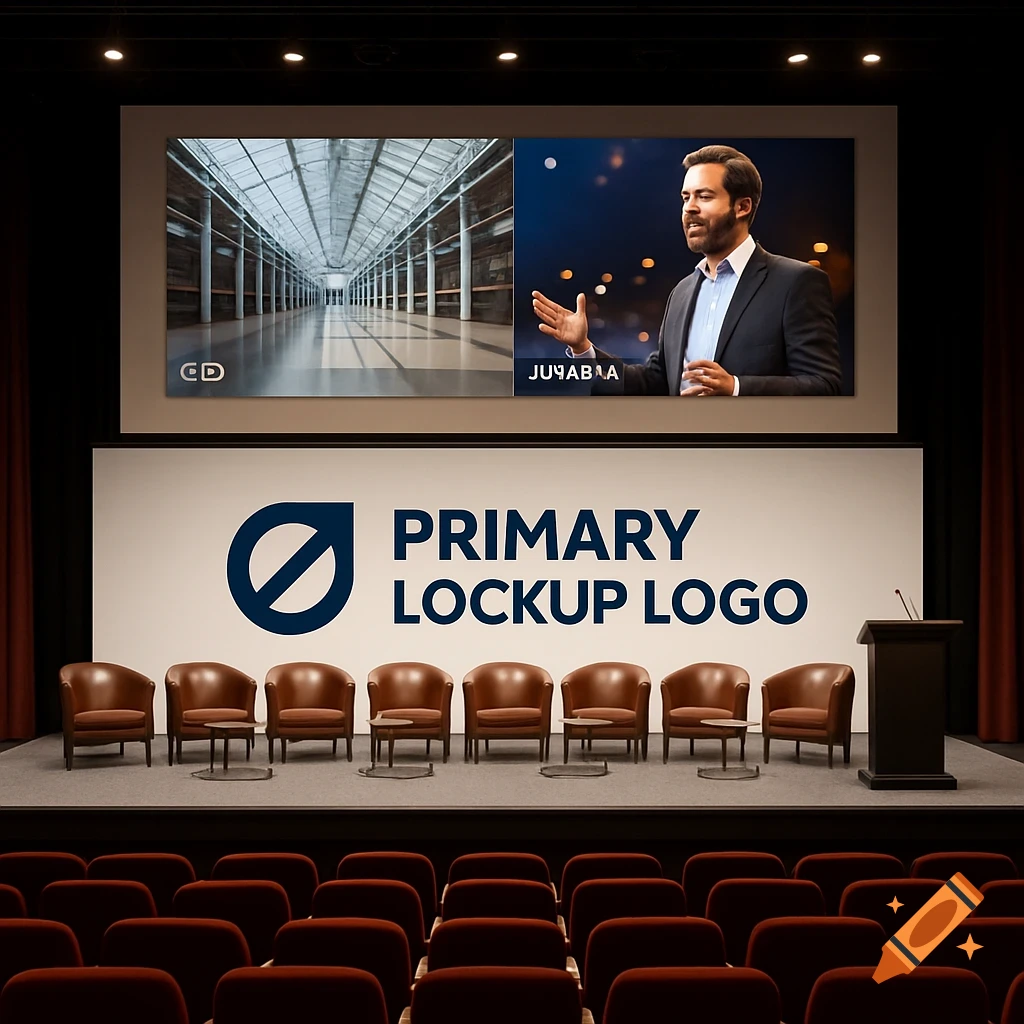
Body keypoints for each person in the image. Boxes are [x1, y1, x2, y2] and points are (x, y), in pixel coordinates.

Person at [531, 144, 842, 396]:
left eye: (704, 196)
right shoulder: (682, 292)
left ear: (742, 206)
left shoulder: (795, 282)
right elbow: (655, 381)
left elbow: (824, 385)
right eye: (685, 197)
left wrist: (735, 387)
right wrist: (584, 349)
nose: (689, 207)